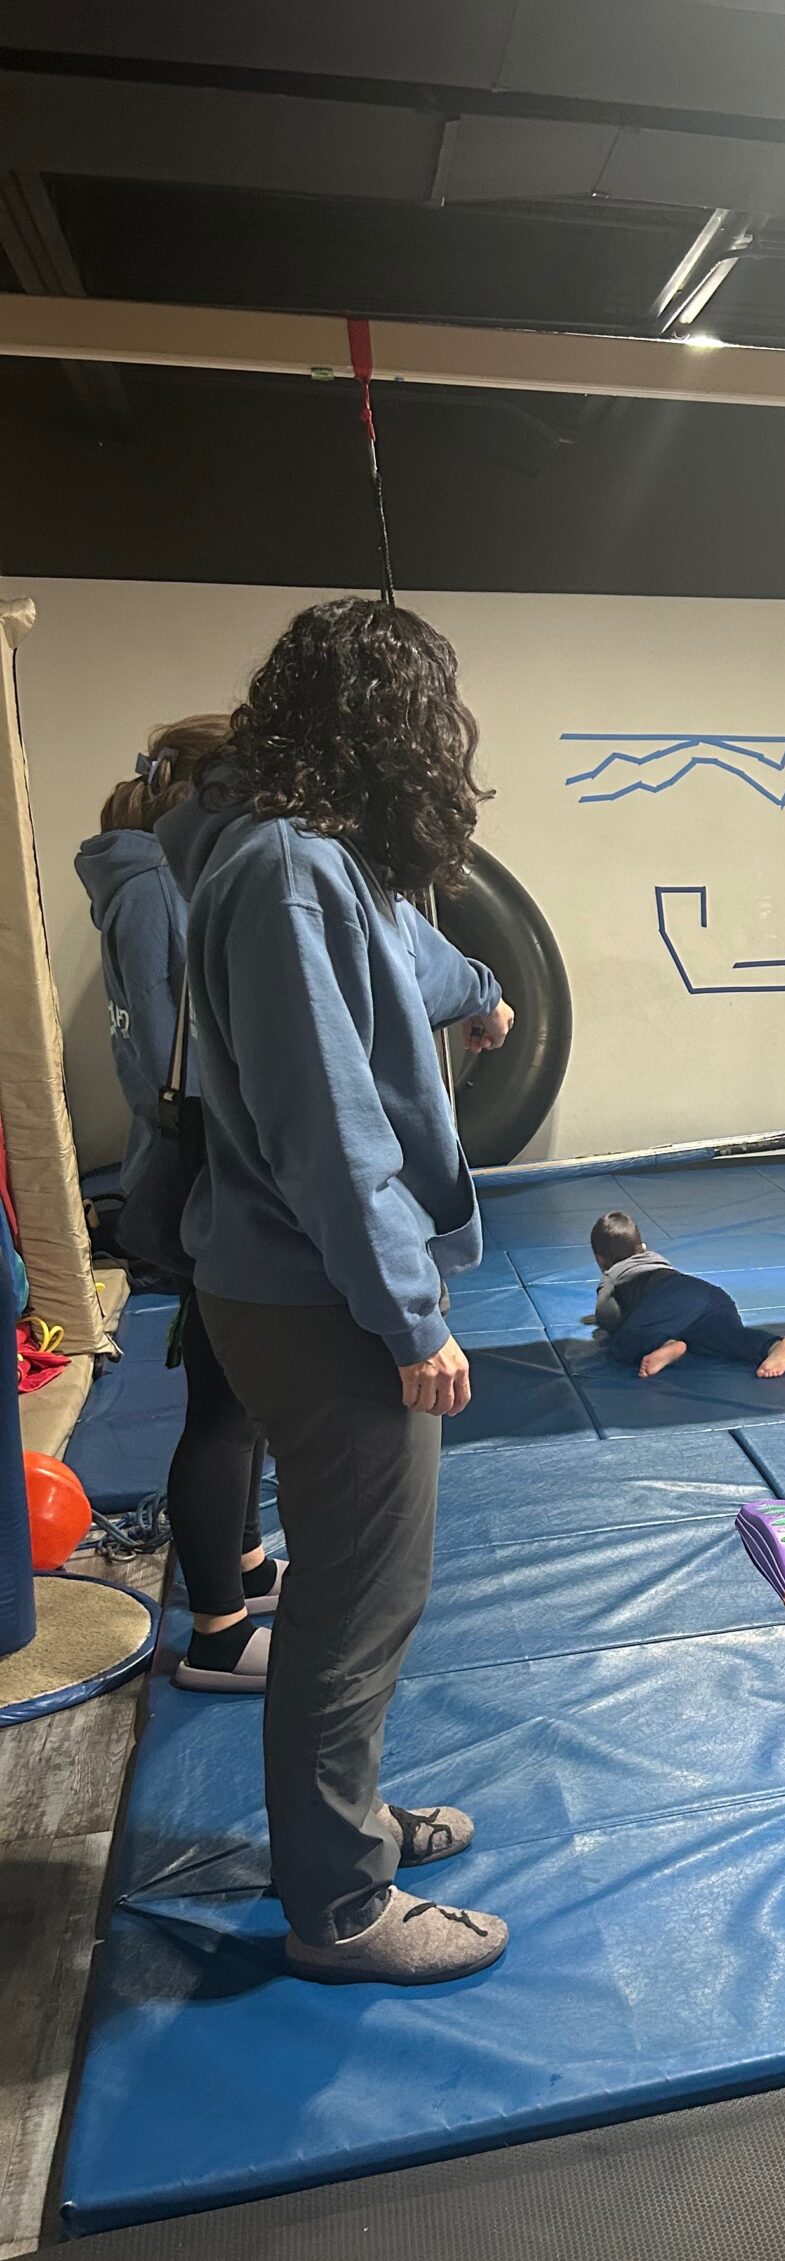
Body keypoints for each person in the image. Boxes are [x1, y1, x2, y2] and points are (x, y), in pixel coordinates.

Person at [157, 597, 515, 1987]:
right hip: (319, 1300)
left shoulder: (322, 865)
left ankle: (340, 1827)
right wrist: (409, 1317)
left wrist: (479, 987)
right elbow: (328, 1128)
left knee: (360, 1594)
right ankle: (342, 1907)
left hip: (303, 1289)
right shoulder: (288, 874)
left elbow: (415, 958)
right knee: (356, 1604)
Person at [78, 717, 282, 1691]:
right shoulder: (160, 890)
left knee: (244, 1392)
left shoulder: (145, 884)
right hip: (209, 1169)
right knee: (225, 1405)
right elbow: (182, 1062)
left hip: (199, 1161)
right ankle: (217, 1633)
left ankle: (243, 1566)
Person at [588, 1207, 785, 1381]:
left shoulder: (612, 1275)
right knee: (726, 1337)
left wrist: (611, 1322)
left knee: (623, 1342)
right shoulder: (655, 1259)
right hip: (710, 1297)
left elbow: (608, 1316)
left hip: (666, 1298)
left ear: (600, 1259)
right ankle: (773, 1345)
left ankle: (666, 1345)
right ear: (642, 1247)